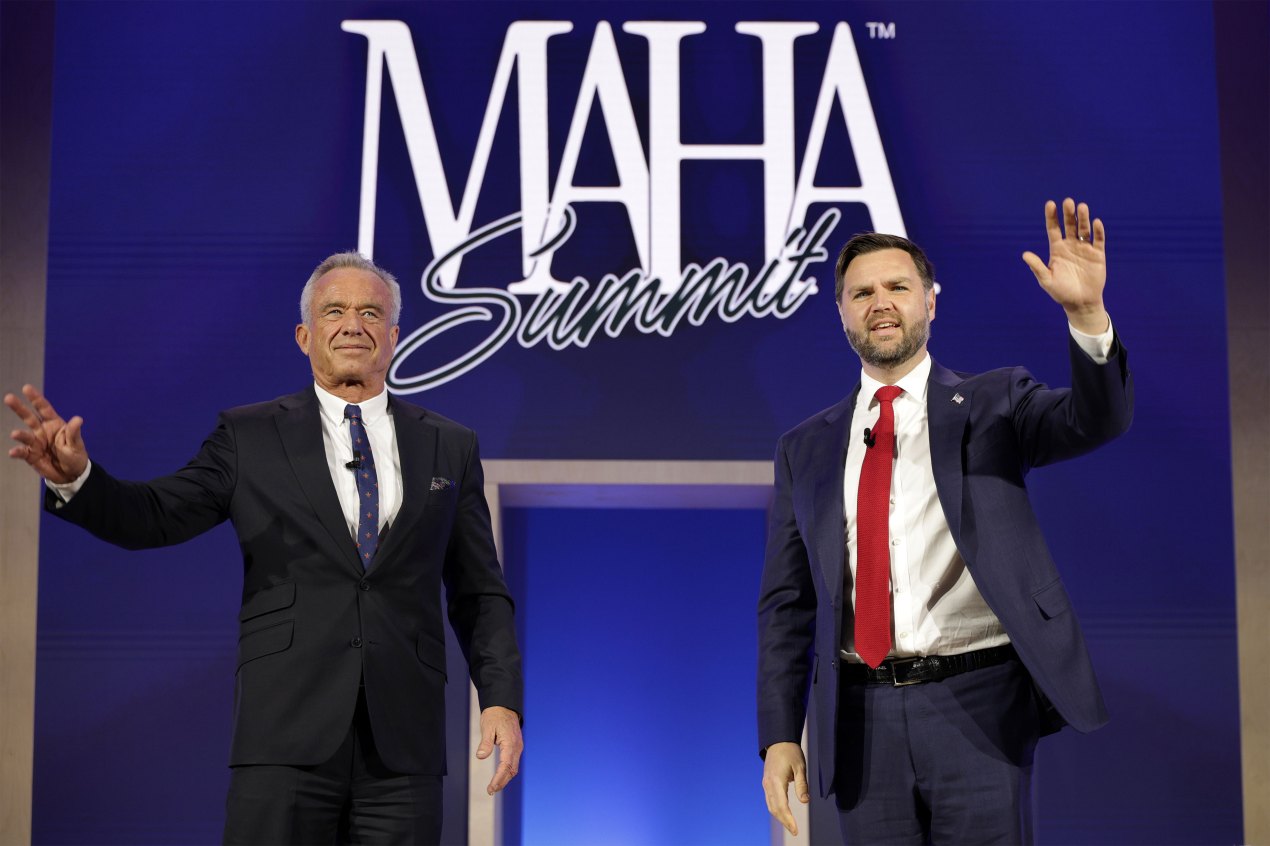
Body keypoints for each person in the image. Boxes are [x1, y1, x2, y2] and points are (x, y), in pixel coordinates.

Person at [6, 252, 524, 844]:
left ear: (394, 335)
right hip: (284, 738)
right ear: (305, 336)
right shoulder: (249, 436)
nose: (353, 324)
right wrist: (78, 479)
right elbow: (153, 516)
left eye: (371, 312)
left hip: (403, 751)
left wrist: (501, 700)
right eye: (335, 311)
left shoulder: (450, 446)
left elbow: (480, 591)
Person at [757, 198, 1132, 844]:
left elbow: (1094, 421)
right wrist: (779, 735)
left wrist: (1087, 316)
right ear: (842, 312)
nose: (881, 301)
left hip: (979, 703)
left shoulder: (995, 402)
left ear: (931, 302)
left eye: (898, 287)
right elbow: (787, 605)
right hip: (859, 719)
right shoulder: (806, 447)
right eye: (862, 292)